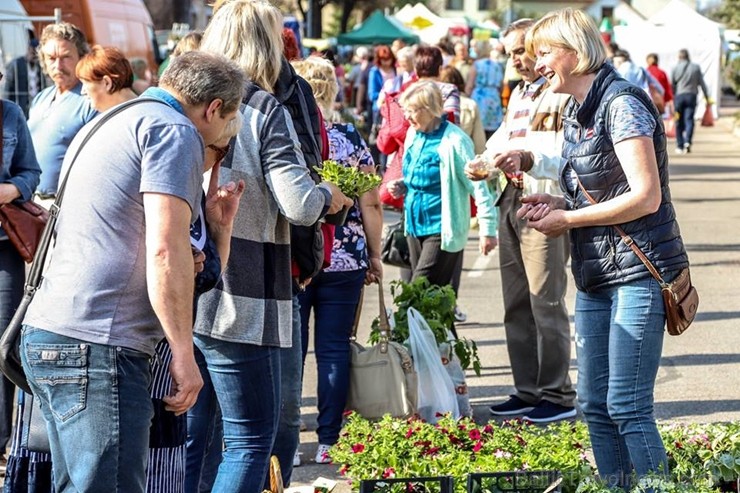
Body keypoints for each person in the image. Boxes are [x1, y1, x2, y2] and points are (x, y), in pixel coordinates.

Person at [19, 50, 245, 493]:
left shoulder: (115, 119)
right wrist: (184, 353)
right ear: (213, 109)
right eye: (225, 126)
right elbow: (166, 250)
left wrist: (218, 230)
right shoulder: (174, 130)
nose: (220, 141)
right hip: (98, 345)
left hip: (56, 333)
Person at [521, 8, 690, 488]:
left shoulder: (623, 103)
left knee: (628, 405)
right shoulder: (579, 109)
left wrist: (566, 219)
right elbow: (602, 187)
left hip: (639, 272)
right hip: (597, 275)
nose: (537, 64)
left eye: (545, 52)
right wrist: (554, 200)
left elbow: (644, 196)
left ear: (576, 52)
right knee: (594, 405)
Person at [196, 2, 353, 491]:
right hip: (248, 289)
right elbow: (300, 204)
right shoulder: (264, 108)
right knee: (250, 441)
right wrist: (330, 194)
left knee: (196, 438)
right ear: (267, 43)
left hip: (186, 283)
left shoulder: (186, 107)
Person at [465, 18, 576, 424]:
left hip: (542, 202)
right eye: (510, 53)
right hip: (509, 197)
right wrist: (483, 162)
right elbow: (506, 140)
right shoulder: (522, 92)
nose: (513, 60)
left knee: (545, 301)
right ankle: (528, 389)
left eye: (519, 52)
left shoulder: (562, 92)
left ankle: (558, 394)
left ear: (539, 49)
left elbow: (563, 150)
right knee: (516, 303)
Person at [292, 55, 383, 466]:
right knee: (333, 350)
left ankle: (288, 442)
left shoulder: (292, 135)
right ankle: (329, 439)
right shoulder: (349, 137)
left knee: (292, 351)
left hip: (297, 257)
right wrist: (376, 255)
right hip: (345, 258)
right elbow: (372, 203)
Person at [387, 81, 497, 292]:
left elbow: (479, 186)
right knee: (434, 298)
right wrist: (403, 184)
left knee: (418, 291)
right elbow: (415, 175)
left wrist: (488, 230)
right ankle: (444, 326)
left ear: (430, 109)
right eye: (405, 110)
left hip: (442, 228)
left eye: (412, 111)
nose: (407, 117)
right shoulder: (413, 134)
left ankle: (408, 326)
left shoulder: (455, 140)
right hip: (413, 225)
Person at [0, 86, 40, 468]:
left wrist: (10, 189)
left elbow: (31, 172)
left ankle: (2, 439)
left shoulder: (10, 114)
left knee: (3, 343)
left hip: (4, 245)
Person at [27, 22, 96, 204]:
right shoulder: (41, 98)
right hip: (32, 201)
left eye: (65, 57)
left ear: (82, 58)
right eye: (51, 58)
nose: (58, 65)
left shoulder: (90, 100)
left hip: (66, 204)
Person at [671, 48, 709, 154]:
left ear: (679, 57)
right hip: (691, 96)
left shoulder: (675, 68)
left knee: (678, 121)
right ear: (688, 56)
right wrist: (707, 97)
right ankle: (687, 141)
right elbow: (702, 83)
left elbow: (672, 84)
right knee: (689, 119)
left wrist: (672, 97)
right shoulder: (695, 67)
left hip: (679, 97)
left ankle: (679, 145)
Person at [466, 43, 505, 138]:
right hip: (493, 97)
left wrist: (467, 97)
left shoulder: (476, 65)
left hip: (479, 97)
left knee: (478, 129)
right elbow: (501, 85)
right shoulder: (497, 65)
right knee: (493, 131)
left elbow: (469, 85)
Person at [3, 38, 47, 118]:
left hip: (37, 106)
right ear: (28, 49)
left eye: (36, 54)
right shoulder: (16, 64)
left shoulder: (40, 66)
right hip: (20, 104)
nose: (33, 56)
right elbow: (8, 87)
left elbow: (44, 85)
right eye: (32, 52)